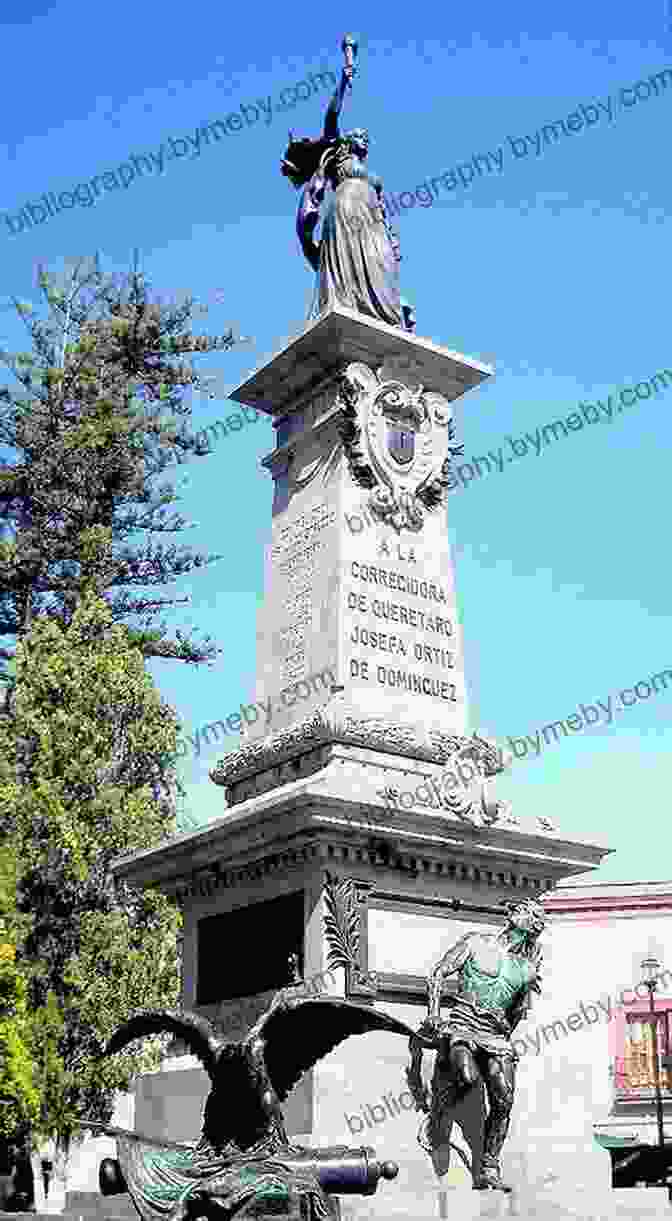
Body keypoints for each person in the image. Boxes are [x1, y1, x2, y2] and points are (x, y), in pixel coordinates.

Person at [412, 898, 546, 1192]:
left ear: (533, 926)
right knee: (468, 1076)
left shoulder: (526, 969)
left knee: (504, 1097)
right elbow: (437, 973)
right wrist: (434, 1013)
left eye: (527, 912)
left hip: (496, 1035)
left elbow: (518, 1013)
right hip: (462, 1024)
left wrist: (502, 1037)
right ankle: (440, 1112)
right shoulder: (475, 942)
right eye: (519, 909)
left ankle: (489, 1166)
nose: (517, 912)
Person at [283, 60, 408, 329]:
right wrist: (343, 82)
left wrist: (392, 238)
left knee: (382, 261)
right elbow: (331, 116)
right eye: (359, 134)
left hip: (372, 217)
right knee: (348, 261)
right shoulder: (341, 155)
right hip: (347, 210)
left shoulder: (373, 177)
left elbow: (384, 211)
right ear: (348, 141)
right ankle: (350, 303)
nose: (364, 138)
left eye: (366, 136)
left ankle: (385, 313)